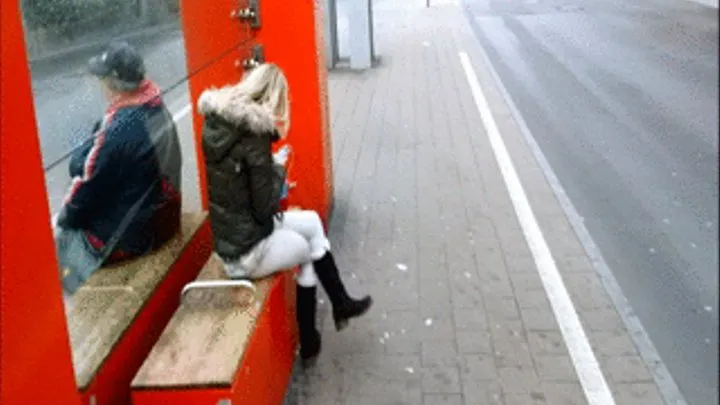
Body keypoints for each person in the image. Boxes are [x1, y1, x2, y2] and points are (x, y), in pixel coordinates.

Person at [197, 63, 372, 367]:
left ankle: (339, 305)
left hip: (237, 234)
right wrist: (275, 168)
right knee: (307, 252)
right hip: (245, 254)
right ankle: (309, 338)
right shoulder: (253, 136)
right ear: (272, 97)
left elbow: (240, 187)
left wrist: (266, 167)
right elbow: (266, 206)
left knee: (313, 223)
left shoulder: (220, 124)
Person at [55, 40, 182, 295]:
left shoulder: (119, 127)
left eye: (102, 80)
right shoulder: (154, 105)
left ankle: (82, 305)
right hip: (164, 222)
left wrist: (65, 220)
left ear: (113, 84)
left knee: (61, 240)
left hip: (135, 239)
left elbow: (82, 194)